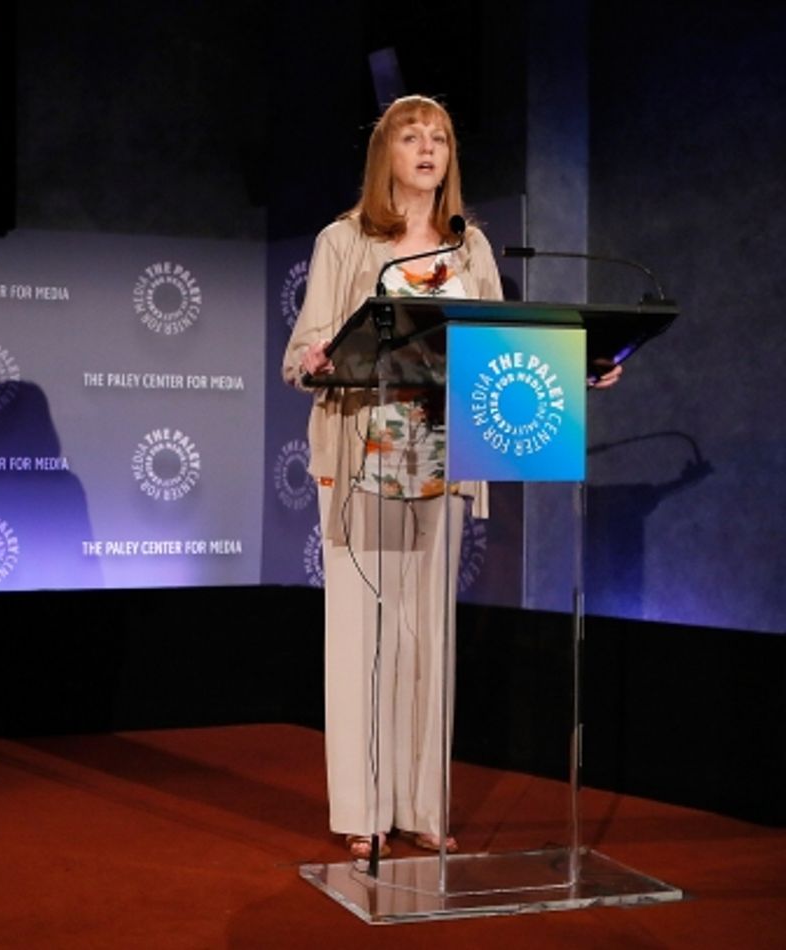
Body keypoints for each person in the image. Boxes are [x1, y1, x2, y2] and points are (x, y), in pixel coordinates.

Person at [282, 95, 497, 862]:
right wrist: (315, 361)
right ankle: (364, 809)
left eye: (440, 138)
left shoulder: (471, 248)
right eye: (412, 137)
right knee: (363, 637)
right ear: (386, 155)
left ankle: (422, 804)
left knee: (426, 638)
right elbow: (303, 352)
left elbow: (506, 347)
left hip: (445, 457)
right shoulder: (344, 240)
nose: (429, 149)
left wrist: (583, 366)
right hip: (364, 455)